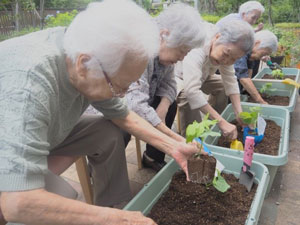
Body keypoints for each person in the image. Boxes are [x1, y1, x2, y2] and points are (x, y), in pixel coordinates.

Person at [0, 1, 200, 225]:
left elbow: (123, 115)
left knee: (107, 132)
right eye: (120, 86)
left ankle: (114, 202)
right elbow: (18, 202)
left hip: (50, 130)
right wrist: (118, 220)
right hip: (8, 148)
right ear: (84, 64)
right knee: (59, 201)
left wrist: (173, 146)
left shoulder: (81, 51)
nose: (122, 94)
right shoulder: (28, 86)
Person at [123, 3, 206, 172]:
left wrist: (163, 105)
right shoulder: (140, 48)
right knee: (118, 131)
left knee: (170, 105)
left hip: (140, 99)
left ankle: (152, 157)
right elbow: (134, 105)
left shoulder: (164, 49)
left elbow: (170, 83)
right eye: (182, 51)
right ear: (165, 35)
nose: (182, 58)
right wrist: (177, 140)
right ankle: (103, 167)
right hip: (116, 105)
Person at [176, 19, 255, 140]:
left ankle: (213, 127)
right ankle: (194, 141)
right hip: (179, 77)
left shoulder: (226, 50)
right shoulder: (199, 41)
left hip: (203, 75)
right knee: (187, 96)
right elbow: (192, 90)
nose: (227, 61)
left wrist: (239, 112)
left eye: (234, 59)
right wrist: (222, 122)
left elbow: (230, 80)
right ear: (217, 37)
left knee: (223, 86)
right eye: (226, 54)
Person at [235, 30, 278, 104]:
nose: (261, 57)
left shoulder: (251, 51)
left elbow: (249, 69)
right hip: (220, 74)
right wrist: (261, 101)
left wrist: (246, 89)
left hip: (231, 76)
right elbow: (243, 78)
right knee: (226, 94)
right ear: (257, 43)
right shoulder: (242, 47)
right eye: (263, 53)